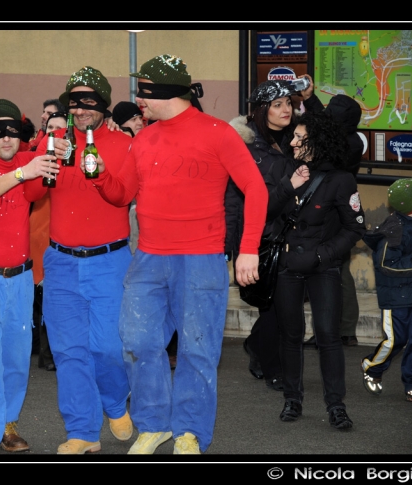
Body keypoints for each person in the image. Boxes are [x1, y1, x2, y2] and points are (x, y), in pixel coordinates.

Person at [90, 54, 267, 454]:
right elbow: (122, 194)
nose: (139, 101)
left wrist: (248, 250)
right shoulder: (145, 138)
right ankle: (153, 425)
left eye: (143, 93)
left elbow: (256, 190)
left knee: (197, 348)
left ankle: (189, 430)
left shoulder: (219, 133)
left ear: (161, 92)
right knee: (136, 342)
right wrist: (99, 174)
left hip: (201, 259)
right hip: (149, 258)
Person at [23, 66, 134, 455]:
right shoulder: (52, 140)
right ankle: (82, 431)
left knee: (107, 347)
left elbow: (123, 196)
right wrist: (46, 161)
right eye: (75, 101)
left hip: (110, 260)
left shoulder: (122, 144)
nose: (82, 109)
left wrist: (101, 173)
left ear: (103, 104)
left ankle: (116, 402)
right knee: (70, 352)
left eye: (90, 101)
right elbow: (32, 193)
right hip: (62, 263)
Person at [0, 99, 60, 454]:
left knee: (17, 359)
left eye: (13, 131)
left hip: (21, 279)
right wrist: (24, 171)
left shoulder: (27, 161)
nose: (6, 138)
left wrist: (55, 144)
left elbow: (38, 189)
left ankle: (7, 424)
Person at [265, 110, 366, 430]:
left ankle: (336, 405)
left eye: (299, 137)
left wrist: (322, 256)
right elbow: (264, 212)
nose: (291, 142)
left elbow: (354, 229)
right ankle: (292, 398)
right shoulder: (287, 168)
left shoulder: (341, 179)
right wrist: (287, 186)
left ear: (316, 142)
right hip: (287, 265)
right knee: (290, 334)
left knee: (328, 335)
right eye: (293, 136)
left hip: (323, 267)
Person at [227, 78, 311, 391]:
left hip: (290, 233)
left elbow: (323, 130)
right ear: (263, 110)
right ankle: (270, 363)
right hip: (259, 236)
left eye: (289, 103)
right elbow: (254, 201)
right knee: (274, 306)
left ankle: (260, 350)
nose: (286, 109)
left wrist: (309, 101)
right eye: (278, 105)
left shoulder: (290, 137)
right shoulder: (248, 148)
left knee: (280, 305)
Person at [302, 92, 364, 347]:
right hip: (337, 211)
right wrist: (311, 98)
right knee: (339, 271)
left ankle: (335, 329)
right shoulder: (353, 140)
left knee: (331, 272)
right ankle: (344, 328)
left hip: (332, 214)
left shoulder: (343, 145)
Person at [361, 178, 412, 402]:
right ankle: (371, 367)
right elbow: (385, 265)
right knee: (395, 341)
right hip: (396, 298)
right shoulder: (393, 231)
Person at [29, 112, 65, 371]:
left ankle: (52, 353)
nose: (53, 132)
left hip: (61, 232)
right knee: (45, 298)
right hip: (41, 234)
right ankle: (47, 354)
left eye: (59, 129)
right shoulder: (38, 158)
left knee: (57, 299)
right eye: (50, 127)